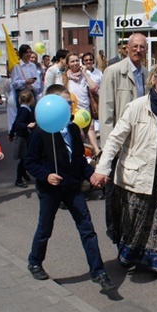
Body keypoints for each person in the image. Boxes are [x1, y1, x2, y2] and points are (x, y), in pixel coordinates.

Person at [91, 63, 157, 279]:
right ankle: (134, 256)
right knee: (137, 222)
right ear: (153, 81)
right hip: (139, 171)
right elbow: (115, 139)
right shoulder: (137, 107)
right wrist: (102, 169)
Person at [25, 84, 116, 293]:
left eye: (71, 103)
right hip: (51, 189)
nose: (70, 106)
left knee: (87, 229)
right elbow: (30, 162)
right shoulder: (41, 132)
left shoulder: (74, 129)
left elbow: (79, 160)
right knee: (45, 227)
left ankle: (98, 271)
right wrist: (46, 175)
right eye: (66, 103)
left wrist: (90, 174)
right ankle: (35, 261)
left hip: (73, 187)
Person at [98, 33, 148, 241]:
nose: (138, 50)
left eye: (142, 47)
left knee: (134, 189)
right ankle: (114, 230)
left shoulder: (147, 74)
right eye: (134, 46)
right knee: (114, 191)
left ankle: (133, 229)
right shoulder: (113, 72)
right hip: (119, 143)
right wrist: (110, 147)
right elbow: (106, 112)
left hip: (139, 144)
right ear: (127, 48)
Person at [65, 52, 99, 150]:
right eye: (72, 61)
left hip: (86, 109)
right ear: (68, 64)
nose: (75, 63)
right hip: (73, 112)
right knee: (80, 137)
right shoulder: (63, 77)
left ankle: (96, 151)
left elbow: (94, 88)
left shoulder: (85, 75)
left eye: (77, 61)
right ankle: (87, 153)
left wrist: (84, 73)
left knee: (91, 130)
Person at [9, 44, 42, 128]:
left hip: (31, 92)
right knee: (23, 112)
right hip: (21, 93)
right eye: (27, 52)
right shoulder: (17, 66)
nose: (29, 54)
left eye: (30, 52)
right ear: (22, 54)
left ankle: (32, 128)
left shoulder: (33, 66)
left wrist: (33, 86)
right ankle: (21, 129)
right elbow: (14, 83)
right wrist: (25, 82)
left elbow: (37, 80)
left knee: (33, 112)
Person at [9, 89, 36, 188]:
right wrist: (28, 125)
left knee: (25, 158)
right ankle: (18, 179)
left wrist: (11, 134)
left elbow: (15, 122)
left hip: (24, 137)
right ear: (32, 99)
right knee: (24, 159)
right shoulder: (25, 110)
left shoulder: (24, 109)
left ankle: (24, 173)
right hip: (23, 138)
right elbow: (19, 123)